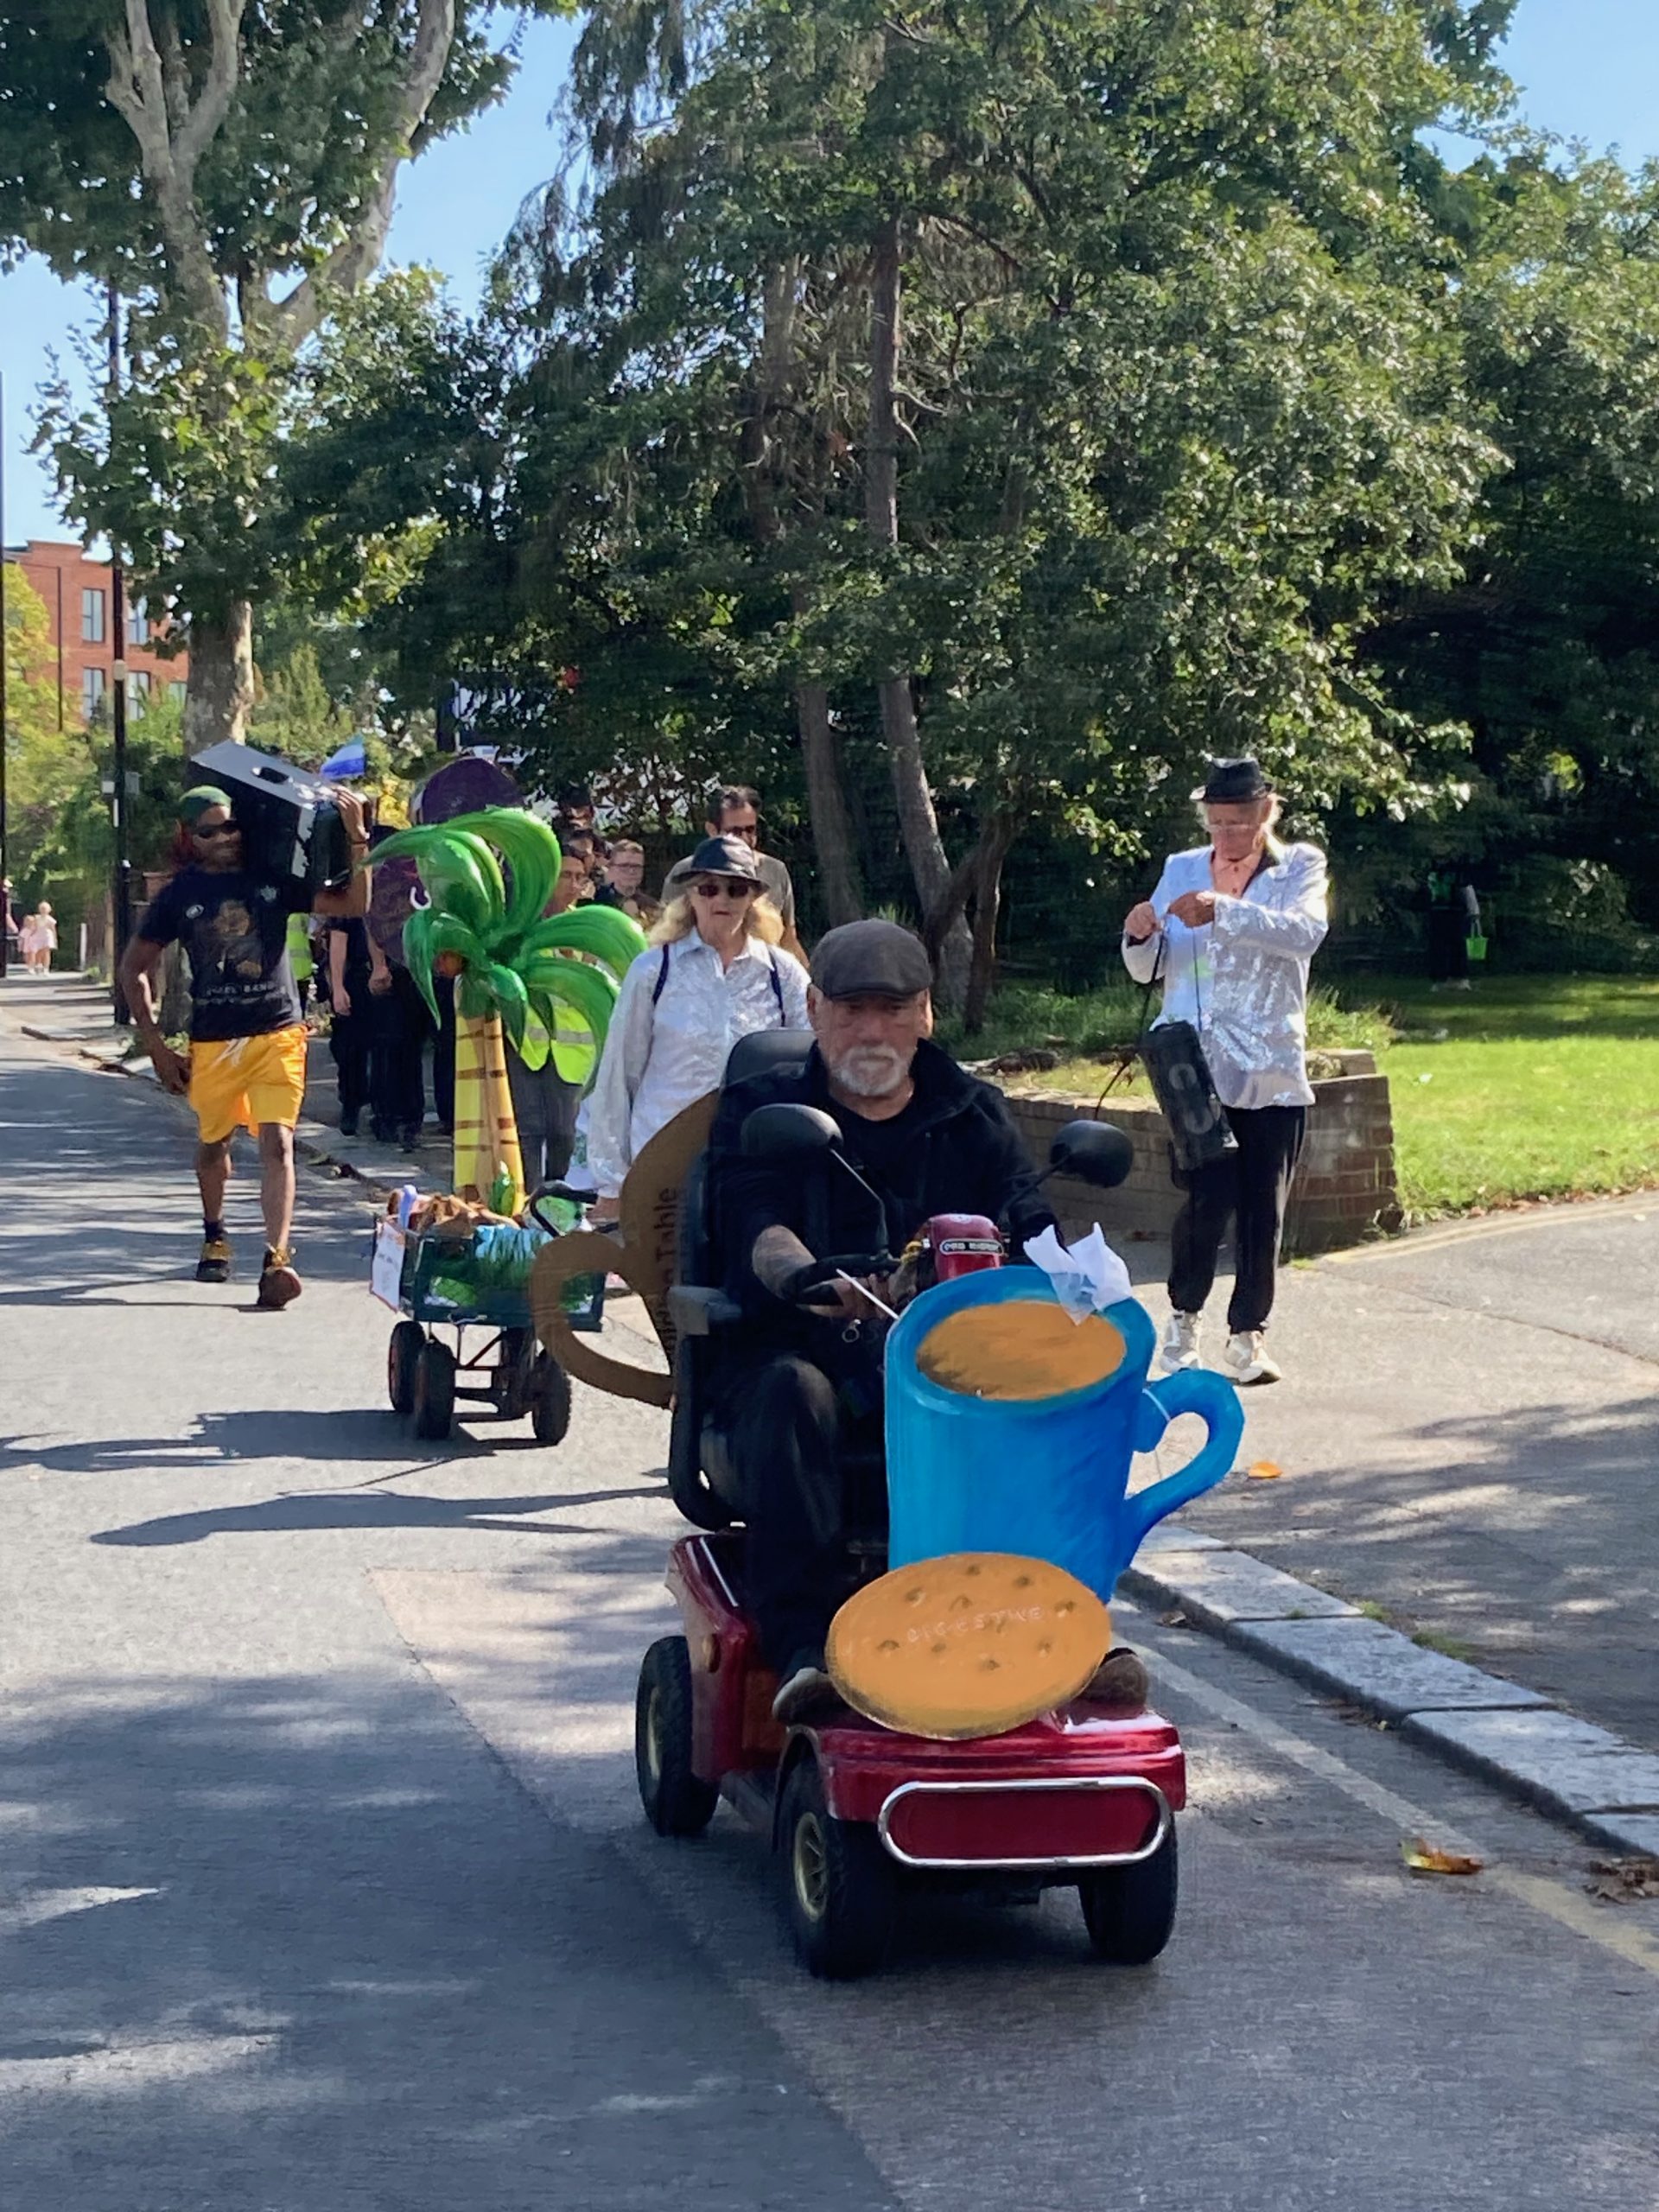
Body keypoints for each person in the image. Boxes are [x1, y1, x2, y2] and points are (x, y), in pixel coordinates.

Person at [705, 918, 1148, 1724]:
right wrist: (808, 1277)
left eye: (893, 1009)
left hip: (957, 1366)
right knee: (791, 1392)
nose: (873, 1031)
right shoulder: (762, 1108)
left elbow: (1030, 1222)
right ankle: (808, 1649)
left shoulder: (972, 1112)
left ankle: (1063, 1629)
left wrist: (1072, 1286)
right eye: (852, 1010)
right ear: (815, 1009)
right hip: (809, 1354)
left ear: (925, 1015)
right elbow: (756, 1224)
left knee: (1052, 1397)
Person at [120, 782, 370, 1305]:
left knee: (278, 1142)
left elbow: (354, 903)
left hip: (278, 1033)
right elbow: (133, 968)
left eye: (231, 827)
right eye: (209, 832)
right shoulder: (179, 895)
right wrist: (157, 1046)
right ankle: (215, 1233)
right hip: (214, 1042)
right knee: (215, 1145)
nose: (225, 838)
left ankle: (277, 1260)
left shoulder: (272, 877)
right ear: (189, 838)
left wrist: (358, 839)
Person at [1122, 757, 1328, 1388]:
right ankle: (1183, 1318)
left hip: (1269, 1065)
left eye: (1238, 822)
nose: (1226, 835)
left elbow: (1306, 934)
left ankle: (1247, 1335)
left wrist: (1225, 910)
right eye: (1216, 823)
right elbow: (1151, 968)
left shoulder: (1298, 866)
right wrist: (1138, 935)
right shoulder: (1182, 867)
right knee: (1206, 1199)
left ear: (1266, 812)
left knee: (1264, 1205)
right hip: (1196, 1065)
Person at [581, 835, 810, 1211]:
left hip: (756, 1165)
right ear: (690, 894)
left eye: (736, 889)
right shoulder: (653, 971)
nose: (722, 900)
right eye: (709, 888)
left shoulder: (783, 975)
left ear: (753, 897)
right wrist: (611, 1183)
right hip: (663, 1167)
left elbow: (811, 1066)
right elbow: (618, 1076)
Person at [507, 839, 595, 1190]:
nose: (573, 885)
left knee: (563, 1133)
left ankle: (557, 1198)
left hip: (572, 1051)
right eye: (566, 876)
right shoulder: (522, 923)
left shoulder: (588, 927)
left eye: (579, 877)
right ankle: (529, 1201)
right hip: (525, 1043)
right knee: (528, 1130)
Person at [664, 784, 807, 963]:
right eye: (735, 832)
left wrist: (805, 976)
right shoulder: (686, 873)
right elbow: (670, 932)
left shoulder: (775, 871)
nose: (745, 838)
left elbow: (788, 938)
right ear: (712, 830)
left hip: (763, 972)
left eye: (750, 830)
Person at [325, 911, 385, 1136]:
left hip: (391, 973)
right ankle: (351, 1105)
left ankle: (384, 1110)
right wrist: (338, 987)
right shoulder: (350, 900)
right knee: (350, 1049)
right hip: (357, 975)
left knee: (387, 1047)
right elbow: (338, 938)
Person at [594, 836, 662, 928]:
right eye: (624, 866)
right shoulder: (597, 902)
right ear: (612, 868)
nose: (631, 871)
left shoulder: (652, 906)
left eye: (636, 866)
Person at [20, 901, 58, 975]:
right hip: (37, 936)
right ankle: (37, 966)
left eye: (45, 909)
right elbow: (31, 925)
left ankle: (46, 969)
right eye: (42, 908)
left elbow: (53, 930)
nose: (43, 910)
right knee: (38, 952)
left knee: (46, 952)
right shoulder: (37, 917)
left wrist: (54, 939)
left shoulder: (50, 919)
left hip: (47, 936)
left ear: (49, 910)